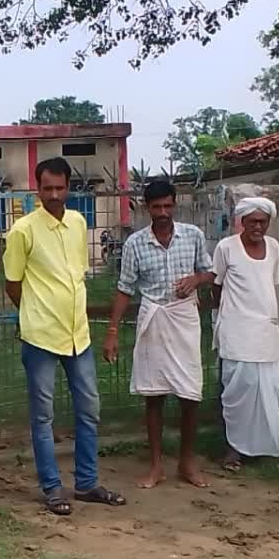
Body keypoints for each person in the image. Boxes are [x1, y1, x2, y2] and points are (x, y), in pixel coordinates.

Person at [3, 157, 126, 516]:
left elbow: (76, 276)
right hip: (40, 335)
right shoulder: (23, 230)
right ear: (37, 189)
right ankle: (53, 487)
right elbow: (13, 284)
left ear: (69, 187)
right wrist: (34, 312)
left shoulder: (77, 222)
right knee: (43, 416)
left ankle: (87, 483)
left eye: (60, 188)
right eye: (47, 188)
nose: (54, 195)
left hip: (79, 335)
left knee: (89, 410)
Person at [104, 180, 215, 489]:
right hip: (153, 316)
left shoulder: (192, 235)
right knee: (154, 395)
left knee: (189, 393)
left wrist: (196, 279)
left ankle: (187, 463)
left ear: (175, 204)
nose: (163, 212)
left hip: (184, 317)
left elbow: (210, 272)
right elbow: (125, 288)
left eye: (168, 206)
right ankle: (155, 466)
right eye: (157, 207)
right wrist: (112, 331)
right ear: (146, 207)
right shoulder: (135, 243)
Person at [212, 197, 279, 471]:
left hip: (266, 330)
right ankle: (234, 449)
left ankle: (263, 448)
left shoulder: (274, 247)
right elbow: (216, 284)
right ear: (241, 222)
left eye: (263, 221)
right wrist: (229, 313)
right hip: (236, 330)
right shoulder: (226, 248)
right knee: (237, 390)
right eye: (252, 221)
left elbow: (268, 285)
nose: (258, 226)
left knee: (271, 388)